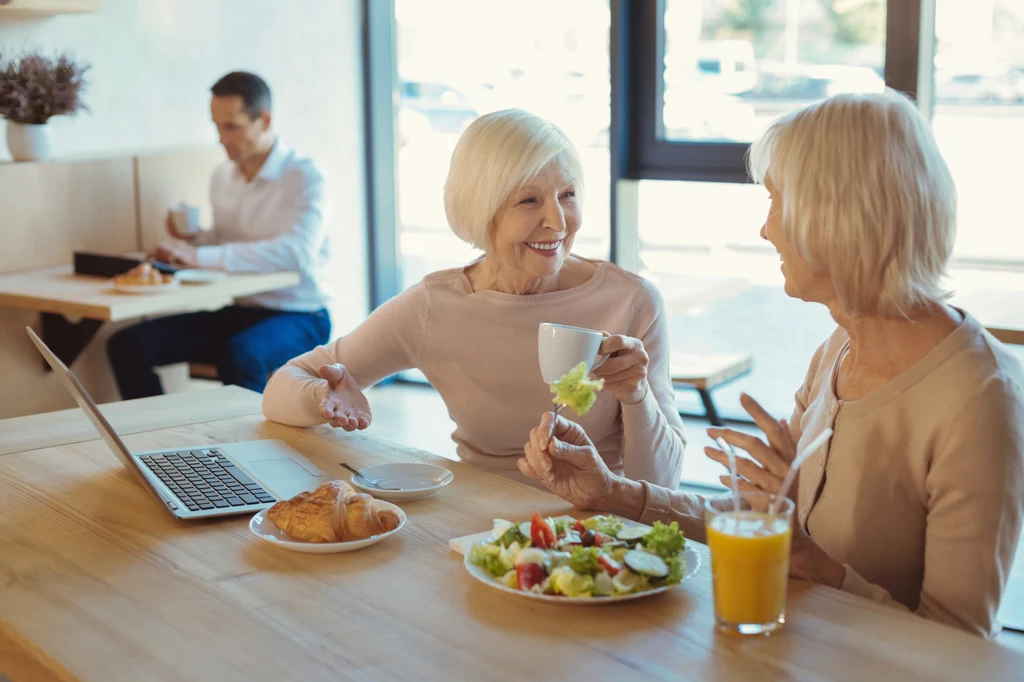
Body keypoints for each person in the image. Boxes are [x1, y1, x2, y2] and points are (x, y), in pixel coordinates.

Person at [517, 89, 1024, 638]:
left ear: (836, 216)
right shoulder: (841, 348)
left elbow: (964, 650)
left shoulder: (979, 399)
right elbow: (762, 519)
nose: (766, 230)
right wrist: (614, 495)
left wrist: (819, 567)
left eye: (775, 201)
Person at [263, 109, 686, 488]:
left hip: (597, 531)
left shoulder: (631, 300)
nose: (558, 221)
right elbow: (281, 390)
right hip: (481, 531)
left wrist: (636, 397)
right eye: (529, 200)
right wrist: (323, 398)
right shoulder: (435, 306)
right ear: (483, 211)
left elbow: (662, 484)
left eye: (568, 195)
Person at [107, 71, 332, 398]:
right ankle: (161, 441)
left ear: (264, 121)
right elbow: (229, 243)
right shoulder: (222, 176)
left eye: (231, 126)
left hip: (301, 315)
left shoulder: (306, 177)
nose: (221, 138)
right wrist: (193, 240)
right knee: (128, 345)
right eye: (216, 126)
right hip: (241, 311)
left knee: (241, 355)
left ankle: (249, 448)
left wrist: (199, 256)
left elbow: (295, 254)